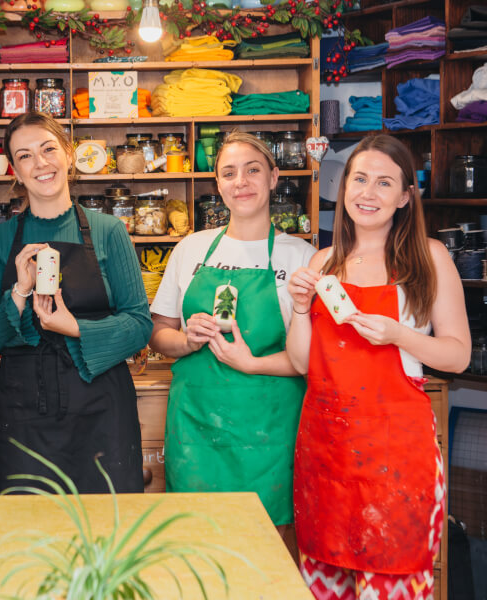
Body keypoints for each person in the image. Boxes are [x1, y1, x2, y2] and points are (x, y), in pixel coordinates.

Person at [286, 135, 470, 599]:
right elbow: (302, 361)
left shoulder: (431, 257)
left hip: (397, 456)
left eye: (384, 183)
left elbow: (457, 355)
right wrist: (301, 307)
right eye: (359, 179)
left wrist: (399, 335)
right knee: (326, 582)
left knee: (393, 579)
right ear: (344, 186)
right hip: (326, 450)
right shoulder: (324, 261)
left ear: (406, 196)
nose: (367, 193)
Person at [149, 131, 315, 552]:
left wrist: (251, 362)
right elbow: (158, 333)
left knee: (268, 549)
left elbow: (311, 358)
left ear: (274, 177)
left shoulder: (303, 256)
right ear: (218, 185)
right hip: (197, 427)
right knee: (196, 546)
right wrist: (186, 340)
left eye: (253, 169)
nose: (241, 181)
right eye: (229, 172)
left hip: (270, 431)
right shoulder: (191, 249)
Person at [0, 112, 152, 495]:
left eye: (49, 149)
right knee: (30, 537)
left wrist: (72, 327)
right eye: (25, 156)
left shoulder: (109, 230)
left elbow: (139, 324)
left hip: (102, 408)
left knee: (108, 533)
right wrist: (19, 294)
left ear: (68, 155)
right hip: (24, 412)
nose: (40, 163)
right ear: (15, 172)